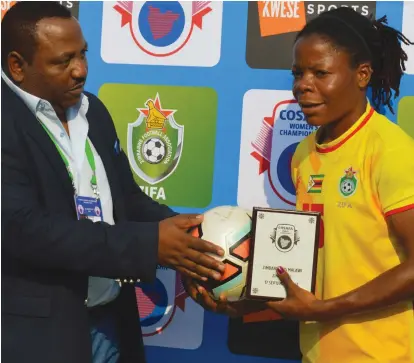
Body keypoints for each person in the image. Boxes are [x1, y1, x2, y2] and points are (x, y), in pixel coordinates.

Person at [1, 2, 226, 363]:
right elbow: (24, 230)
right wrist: (149, 244)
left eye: (83, 54)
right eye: (63, 61)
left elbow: (127, 201)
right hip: (39, 338)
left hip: (111, 321)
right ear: (17, 66)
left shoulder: (94, 110)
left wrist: (194, 241)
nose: (81, 71)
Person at [188, 7, 414, 363]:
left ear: (362, 75)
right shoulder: (304, 154)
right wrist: (242, 302)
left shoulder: (390, 150)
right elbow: (313, 264)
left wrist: (327, 308)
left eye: (320, 73)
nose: (302, 86)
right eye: (298, 73)